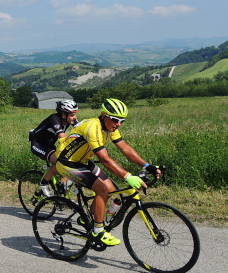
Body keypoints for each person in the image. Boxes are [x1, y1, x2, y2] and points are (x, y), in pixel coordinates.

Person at [54, 98, 161, 247]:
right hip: (67, 163)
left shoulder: (110, 128)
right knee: (102, 189)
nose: (118, 124)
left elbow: (125, 149)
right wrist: (127, 176)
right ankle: (98, 231)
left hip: (82, 161)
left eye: (121, 121)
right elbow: (104, 159)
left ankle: (88, 218)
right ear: (104, 115)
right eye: (115, 120)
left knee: (110, 189)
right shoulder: (93, 127)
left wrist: (148, 166)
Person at [29, 100, 79, 197]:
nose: (75, 117)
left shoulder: (69, 119)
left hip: (49, 145)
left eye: (75, 114)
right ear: (63, 115)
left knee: (65, 169)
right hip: (38, 144)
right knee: (60, 161)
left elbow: (82, 130)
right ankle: (43, 184)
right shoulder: (54, 119)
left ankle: (64, 199)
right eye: (72, 115)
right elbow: (63, 138)